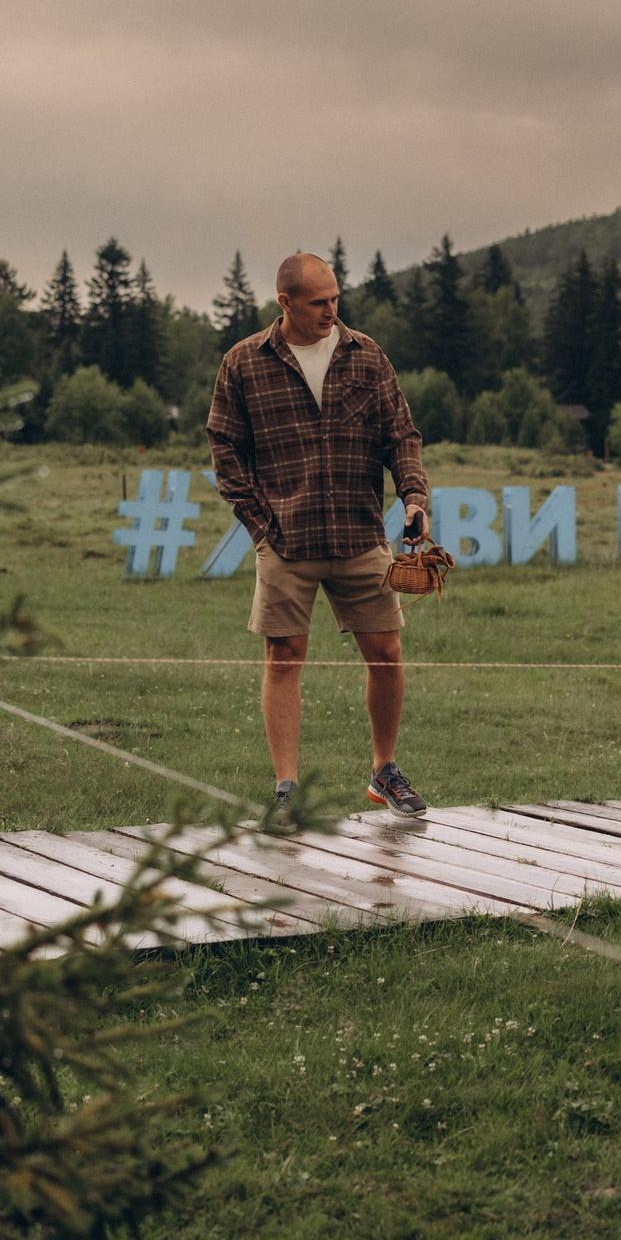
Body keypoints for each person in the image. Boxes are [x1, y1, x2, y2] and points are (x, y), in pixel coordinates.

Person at [207, 251, 432, 831]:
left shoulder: (367, 354)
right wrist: (261, 528)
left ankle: (385, 771)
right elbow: (225, 451)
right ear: (285, 302)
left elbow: (401, 434)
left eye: (336, 298)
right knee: (284, 659)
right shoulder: (243, 363)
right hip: (286, 539)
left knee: (386, 656)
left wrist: (413, 499)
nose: (332, 311)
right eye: (319, 302)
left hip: (360, 533)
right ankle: (286, 788)